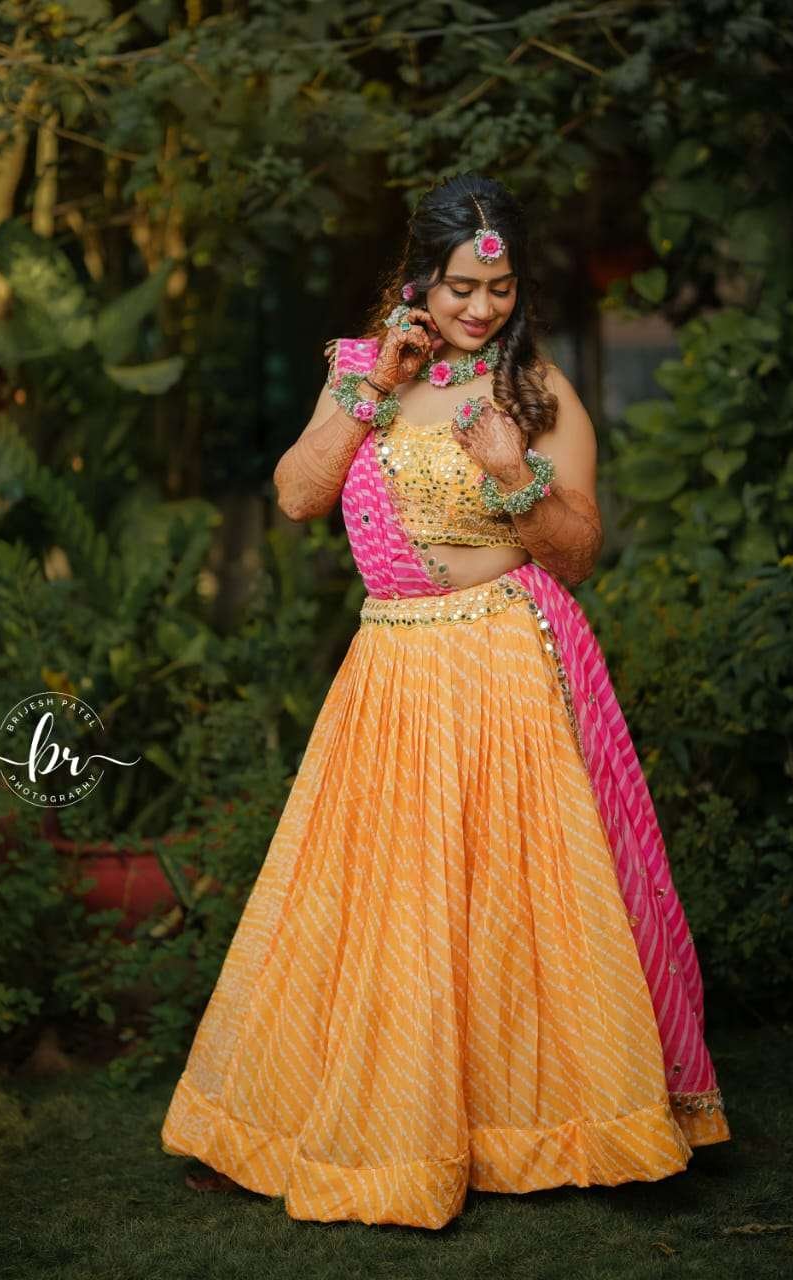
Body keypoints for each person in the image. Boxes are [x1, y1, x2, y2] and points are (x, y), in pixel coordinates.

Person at [160, 172, 731, 1230]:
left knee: (527, 905)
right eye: (463, 286)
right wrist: (372, 389)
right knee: (375, 903)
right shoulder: (360, 372)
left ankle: (566, 1127)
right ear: (419, 277)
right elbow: (297, 495)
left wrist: (514, 474)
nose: (480, 308)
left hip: (505, 662)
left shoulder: (536, 393)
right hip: (390, 669)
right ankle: (325, 1122)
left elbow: (578, 552)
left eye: (499, 290)